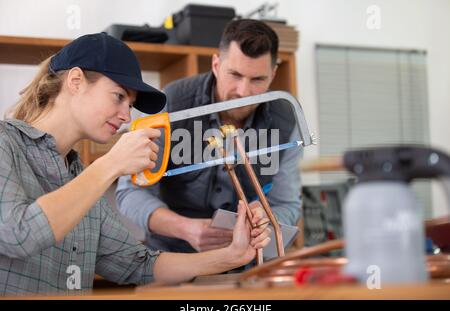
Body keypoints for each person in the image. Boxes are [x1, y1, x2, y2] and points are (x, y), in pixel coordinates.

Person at [0, 33, 270, 295]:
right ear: (76, 81)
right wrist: (110, 165)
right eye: (119, 96)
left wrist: (231, 256)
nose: (126, 115)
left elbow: (138, 264)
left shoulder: (79, 177)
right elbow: (19, 234)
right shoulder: (5, 143)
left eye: (130, 104)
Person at [116, 19, 302, 254]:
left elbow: (288, 204)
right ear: (216, 64)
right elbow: (130, 192)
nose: (243, 92)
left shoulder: (287, 120)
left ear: (273, 74)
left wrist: (266, 215)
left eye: (257, 80)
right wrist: (185, 228)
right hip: (173, 258)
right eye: (234, 74)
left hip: (245, 262)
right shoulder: (171, 104)